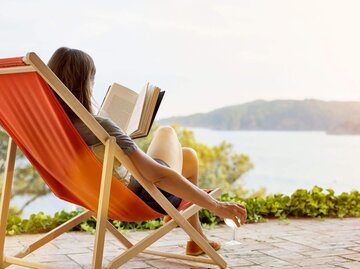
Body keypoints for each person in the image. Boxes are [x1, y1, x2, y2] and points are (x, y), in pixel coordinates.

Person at [48, 47, 247, 256]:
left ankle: (197, 238)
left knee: (187, 156)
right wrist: (216, 206)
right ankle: (188, 226)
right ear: (85, 84)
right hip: (142, 195)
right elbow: (157, 176)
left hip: (91, 193)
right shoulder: (99, 126)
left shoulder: (48, 127)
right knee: (168, 133)